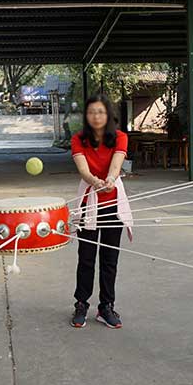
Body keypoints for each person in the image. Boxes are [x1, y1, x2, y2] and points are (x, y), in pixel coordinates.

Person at [70, 94, 133, 329]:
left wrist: (109, 178)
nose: (96, 116)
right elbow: (83, 170)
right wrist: (93, 180)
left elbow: (116, 165)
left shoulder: (120, 137)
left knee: (109, 258)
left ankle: (106, 306)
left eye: (101, 112)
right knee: (86, 256)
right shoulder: (78, 139)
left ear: (108, 115)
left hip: (113, 203)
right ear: (86, 116)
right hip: (88, 202)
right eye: (91, 112)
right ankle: (81, 303)